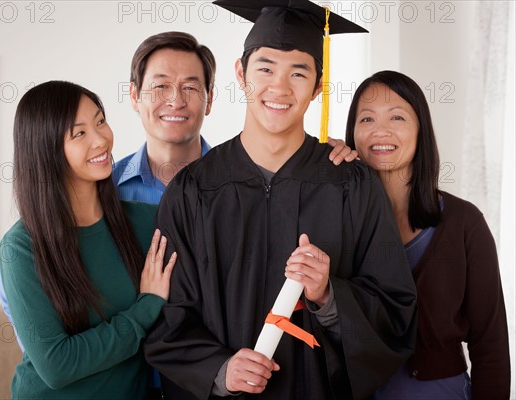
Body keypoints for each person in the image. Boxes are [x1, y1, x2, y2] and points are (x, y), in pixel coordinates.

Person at [144, 2, 418, 399]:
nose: (280, 88)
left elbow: (395, 310)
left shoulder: (351, 185)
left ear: (318, 86)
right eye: (266, 68)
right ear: (241, 74)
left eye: (299, 73)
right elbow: (167, 315)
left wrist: (328, 296)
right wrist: (219, 369)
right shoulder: (193, 191)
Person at [0, 80, 176, 399]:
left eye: (100, 121)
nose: (101, 139)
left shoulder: (147, 221)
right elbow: (56, 365)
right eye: (79, 133)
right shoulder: (22, 247)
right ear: (46, 150)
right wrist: (146, 306)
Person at [345, 70, 511, 399]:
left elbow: (490, 347)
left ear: (421, 129)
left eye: (397, 117)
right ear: (352, 133)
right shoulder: (338, 220)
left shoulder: (465, 223)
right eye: (366, 119)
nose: (381, 131)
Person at [112, 30, 356, 203]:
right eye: (160, 87)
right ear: (134, 96)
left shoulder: (249, 181)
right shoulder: (105, 188)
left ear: (210, 98)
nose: (176, 101)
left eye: (190, 88)